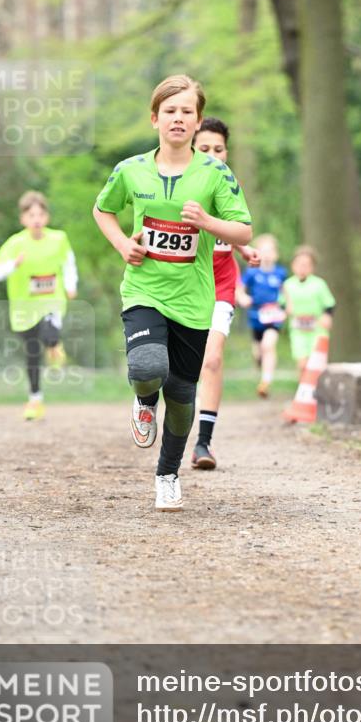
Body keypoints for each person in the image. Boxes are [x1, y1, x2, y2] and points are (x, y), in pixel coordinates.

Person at [93, 74, 252, 512]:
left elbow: (244, 229)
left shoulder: (215, 174)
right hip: (144, 288)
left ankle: (167, 474)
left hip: (194, 301)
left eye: (186, 111)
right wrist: (123, 243)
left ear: (198, 122)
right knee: (147, 368)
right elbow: (103, 210)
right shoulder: (130, 170)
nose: (178, 118)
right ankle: (144, 401)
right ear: (154, 118)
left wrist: (208, 223)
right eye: (170, 111)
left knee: (182, 397)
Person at [190, 117, 259, 469]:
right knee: (180, 364)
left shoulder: (229, 186)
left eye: (218, 149)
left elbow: (236, 229)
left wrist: (245, 251)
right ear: (191, 149)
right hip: (186, 284)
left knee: (213, 359)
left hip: (222, 283)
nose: (213, 156)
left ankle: (203, 443)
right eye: (204, 149)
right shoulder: (180, 184)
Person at [0, 190, 78, 420]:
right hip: (23, 308)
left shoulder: (59, 238)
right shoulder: (15, 243)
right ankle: (35, 400)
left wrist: (70, 285)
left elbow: (69, 263)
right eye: (31, 215)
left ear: (46, 217)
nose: (36, 219)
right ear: (23, 219)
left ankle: (54, 346)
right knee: (32, 354)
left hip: (52, 300)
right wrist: (14, 265)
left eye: (40, 214)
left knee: (49, 333)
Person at [237, 234, 287, 398]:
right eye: (263, 251)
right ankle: (261, 364)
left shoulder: (280, 273)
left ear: (276, 254)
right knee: (258, 353)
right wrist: (243, 298)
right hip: (256, 317)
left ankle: (266, 382)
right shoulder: (252, 273)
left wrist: (286, 308)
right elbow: (241, 289)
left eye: (270, 251)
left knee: (268, 345)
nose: (267, 254)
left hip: (273, 317)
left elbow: (286, 292)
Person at [283, 245, 335, 378]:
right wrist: (284, 311)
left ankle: (318, 394)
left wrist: (327, 316)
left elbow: (329, 304)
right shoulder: (288, 285)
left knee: (317, 364)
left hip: (317, 330)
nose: (302, 268)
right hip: (298, 331)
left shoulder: (319, 284)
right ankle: (304, 392)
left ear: (312, 267)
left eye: (306, 265)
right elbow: (281, 305)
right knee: (302, 364)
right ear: (293, 265)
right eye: (299, 264)